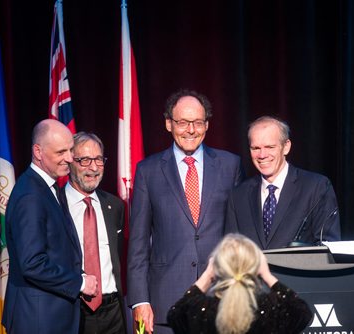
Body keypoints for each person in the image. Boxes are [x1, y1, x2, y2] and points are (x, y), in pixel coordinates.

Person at [127, 89, 244, 334]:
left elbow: (238, 236)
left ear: (207, 125)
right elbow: (138, 243)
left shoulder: (230, 165)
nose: (190, 130)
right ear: (168, 124)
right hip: (165, 305)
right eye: (182, 122)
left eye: (197, 122)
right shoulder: (147, 171)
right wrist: (140, 300)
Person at [2, 119, 98, 333]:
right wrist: (79, 283)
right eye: (61, 152)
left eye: (70, 150)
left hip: (49, 316)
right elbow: (33, 263)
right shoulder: (31, 196)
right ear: (38, 151)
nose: (70, 158)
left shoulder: (47, 187)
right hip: (38, 319)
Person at [225, 116, 341, 249]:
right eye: (256, 148)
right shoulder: (238, 196)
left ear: (286, 147)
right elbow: (231, 253)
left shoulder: (316, 187)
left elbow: (327, 246)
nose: (262, 155)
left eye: (270, 147)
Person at [167, 233, 313, 334]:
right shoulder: (272, 308)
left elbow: (175, 315)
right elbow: (302, 312)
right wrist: (267, 275)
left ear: (218, 267)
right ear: (256, 266)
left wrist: (207, 275)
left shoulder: (201, 310)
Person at [60, 132, 127, 334]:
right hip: (73, 309)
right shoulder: (55, 204)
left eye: (98, 159)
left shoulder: (115, 206)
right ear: (70, 161)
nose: (94, 167)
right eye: (85, 160)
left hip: (113, 311)